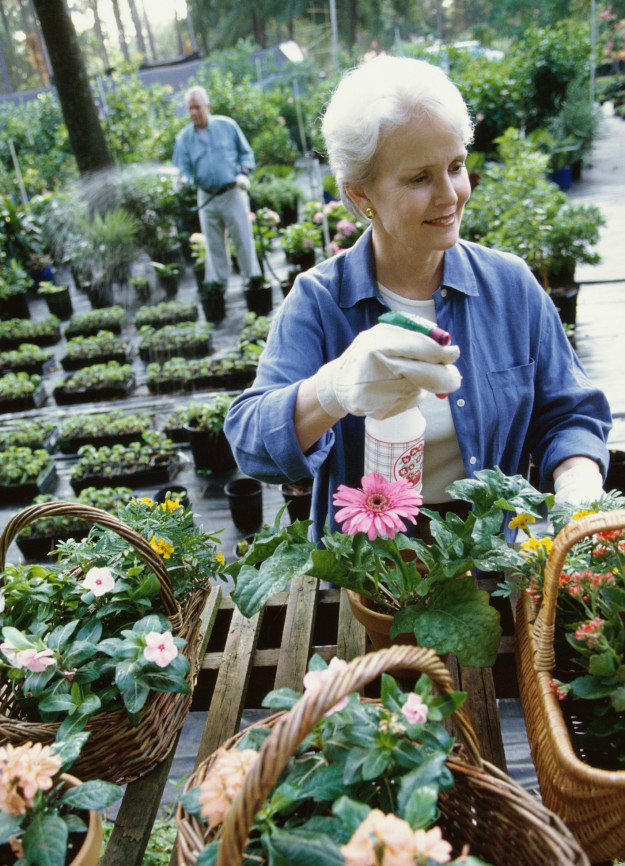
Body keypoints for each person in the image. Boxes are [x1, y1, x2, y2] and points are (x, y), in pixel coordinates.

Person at [224, 55, 612, 543]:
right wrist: (332, 389)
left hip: (490, 557)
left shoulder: (510, 287)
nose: (450, 195)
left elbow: (569, 412)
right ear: (360, 193)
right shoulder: (320, 302)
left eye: (456, 166)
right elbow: (251, 445)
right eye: (419, 178)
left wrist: (577, 480)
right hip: (369, 574)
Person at [173, 85, 262, 288]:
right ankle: (219, 288)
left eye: (197, 107)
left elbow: (246, 153)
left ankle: (253, 282)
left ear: (207, 106)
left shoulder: (227, 126)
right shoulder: (184, 139)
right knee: (213, 247)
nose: (193, 112)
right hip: (206, 197)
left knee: (243, 240)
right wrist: (182, 180)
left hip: (232, 193)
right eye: (190, 108)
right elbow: (183, 169)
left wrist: (244, 174)